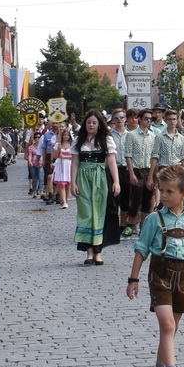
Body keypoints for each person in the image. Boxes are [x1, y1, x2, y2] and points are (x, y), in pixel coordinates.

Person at [126, 165, 184, 367]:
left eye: (170, 191)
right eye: (162, 190)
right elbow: (141, 249)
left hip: (181, 277)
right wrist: (133, 279)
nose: (164, 195)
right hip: (159, 275)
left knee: (171, 329)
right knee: (167, 324)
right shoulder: (154, 219)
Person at [73, 109, 122, 266]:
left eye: (94, 123)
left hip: (100, 177)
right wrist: (72, 182)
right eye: (88, 122)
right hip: (83, 177)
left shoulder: (106, 140)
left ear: (99, 124)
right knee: (86, 212)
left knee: (99, 213)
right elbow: (75, 163)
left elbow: (112, 162)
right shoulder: (78, 140)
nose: (91, 125)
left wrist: (116, 182)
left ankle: (98, 252)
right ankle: (89, 252)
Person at [50, 125, 76, 209]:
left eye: (67, 135)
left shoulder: (72, 145)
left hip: (69, 164)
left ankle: (66, 199)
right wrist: (58, 149)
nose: (66, 136)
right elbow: (54, 155)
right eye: (64, 135)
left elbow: (74, 157)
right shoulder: (58, 144)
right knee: (61, 184)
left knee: (67, 184)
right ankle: (64, 201)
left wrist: (65, 157)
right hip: (61, 165)